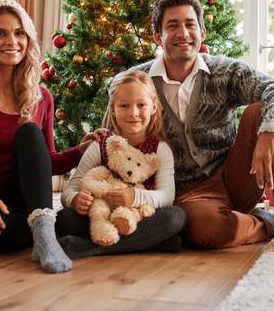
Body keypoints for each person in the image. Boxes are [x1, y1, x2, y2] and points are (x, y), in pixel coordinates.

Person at [133, 0, 274, 257]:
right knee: (207, 230)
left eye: (190, 24)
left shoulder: (224, 70)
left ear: (202, 32)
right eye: (172, 26)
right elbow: (114, 131)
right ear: (158, 37)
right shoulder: (137, 81)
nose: (183, 33)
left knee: (259, 112)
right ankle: (268, 221)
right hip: (187, 194)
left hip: (237, 177)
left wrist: (273, 131)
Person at [0, 0, 99, 273]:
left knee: (28, 132)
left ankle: (42, 230)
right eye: (0, 33)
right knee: (8, 235)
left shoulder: (42, 97)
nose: (11, 41)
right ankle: (45, 234)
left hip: (24, 202)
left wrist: (80, 150)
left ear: (28, 39)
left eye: (19, 33)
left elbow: (46, 161)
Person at [55, 70, 187, 258]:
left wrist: (135, 197)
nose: (133, 113)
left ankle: (88, 248)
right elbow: (70, 190)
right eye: (124, 105)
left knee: (176, 217)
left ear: (154, 108)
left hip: (139, 217)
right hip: (101, 215)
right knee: (64, 219)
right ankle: (151, 242)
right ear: (113, 109)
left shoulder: (160, 149)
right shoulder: (99, 146)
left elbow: (167, 196)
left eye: (141, 105)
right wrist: (75, 200)